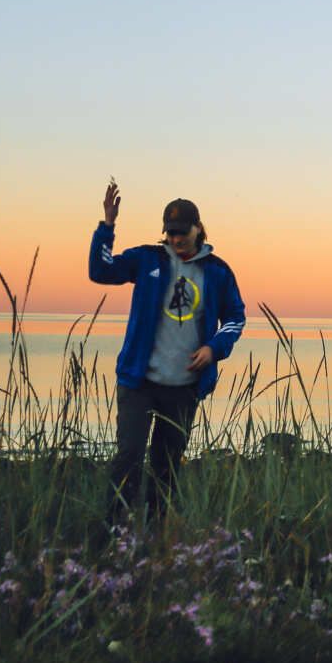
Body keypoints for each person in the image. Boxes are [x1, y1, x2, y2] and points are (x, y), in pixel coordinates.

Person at [89, 181, 246, 523]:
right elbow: (100, 271)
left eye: (182, 232)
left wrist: (214, 348)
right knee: (128, 456)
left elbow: (235, 317)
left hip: (183, 387)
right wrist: (108, 225)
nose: (176, 240)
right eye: (170, 233)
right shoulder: (146, 259)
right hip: (138, 381)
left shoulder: (217, 271)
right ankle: (115, 530)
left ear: (198, 228)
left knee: (167, 465)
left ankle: (157, 532)